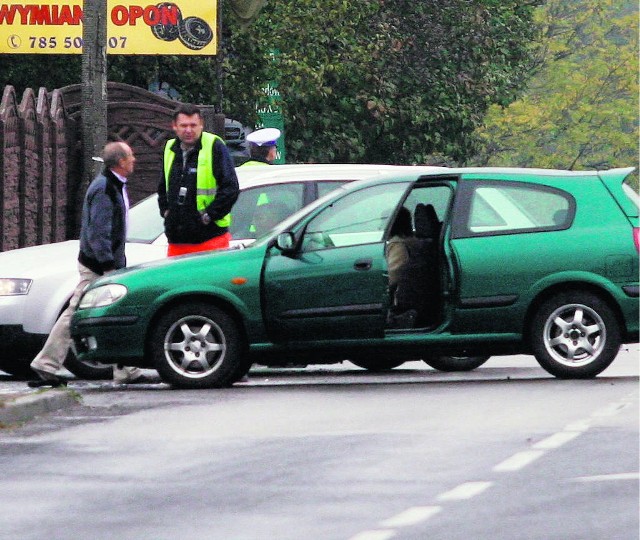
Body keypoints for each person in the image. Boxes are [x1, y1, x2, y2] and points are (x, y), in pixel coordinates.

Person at [29, 142, 151, 387]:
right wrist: (107, 266)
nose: (134, 160)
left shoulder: (112, 184)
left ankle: (126, 369)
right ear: (120, 162)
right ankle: (46, 363)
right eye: (130, 156)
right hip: (97, 265)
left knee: (117, 311)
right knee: (74, 314)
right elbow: (98, 233)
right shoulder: (105, 188)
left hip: (104, 262)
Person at [158, 104, 240, 257]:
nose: (188, 130)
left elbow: (231, 188)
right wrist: (166, 212)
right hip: (177, 241)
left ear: (201, 125)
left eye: (193, 125)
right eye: (183, 125)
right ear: (174, 126)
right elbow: (163, 187)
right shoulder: (169, 148)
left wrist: (208, 216)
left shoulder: (214, 146)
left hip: (210, 239)